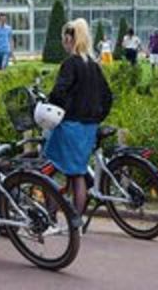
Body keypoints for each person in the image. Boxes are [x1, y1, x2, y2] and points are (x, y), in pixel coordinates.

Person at [45, 18, 113, 216]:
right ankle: (77, 220)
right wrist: (97, 117)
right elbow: (107, 96)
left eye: (64, 39)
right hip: (88, 128)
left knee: (47, 167)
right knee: (78, 173)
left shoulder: (70, 64)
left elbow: (59, 93)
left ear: (69, 39)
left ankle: (50, 213)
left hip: (70, 125)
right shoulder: (93, 65)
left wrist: (55, 108)